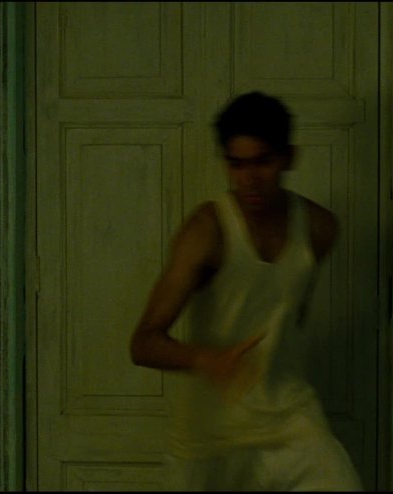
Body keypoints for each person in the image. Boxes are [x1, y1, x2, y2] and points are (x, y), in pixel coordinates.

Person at [128, 91, 363, 491]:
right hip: (210, 434)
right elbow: (143, 343)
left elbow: (287, 314)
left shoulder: (320, 229)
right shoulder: (206, 230)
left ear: (289, 158)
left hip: (289, 418)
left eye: (262, 162)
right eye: (236, 164)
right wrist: (208, 359)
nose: (249, 179)